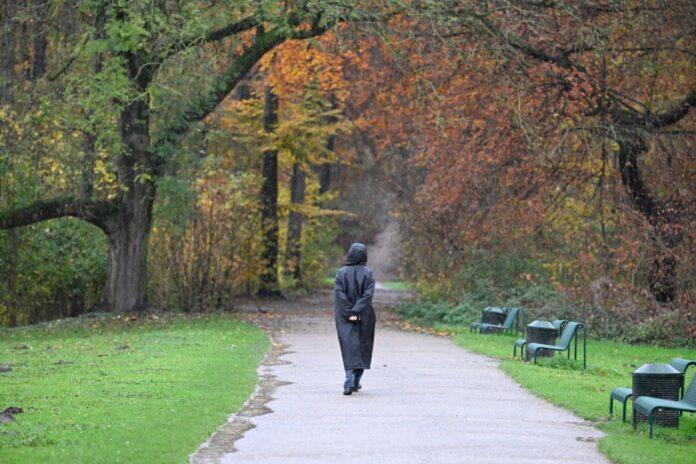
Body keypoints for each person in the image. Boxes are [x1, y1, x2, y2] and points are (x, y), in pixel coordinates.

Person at [334, 242, 376, 395]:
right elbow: (367, 296)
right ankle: (354, 380)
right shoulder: (369, 273)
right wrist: (357, 311)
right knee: (363, 347)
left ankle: (350, 380)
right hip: (365, 315)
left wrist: (349, 313)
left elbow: (339, 296)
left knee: (349, 347)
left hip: (344, 317)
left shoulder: (340, 273)